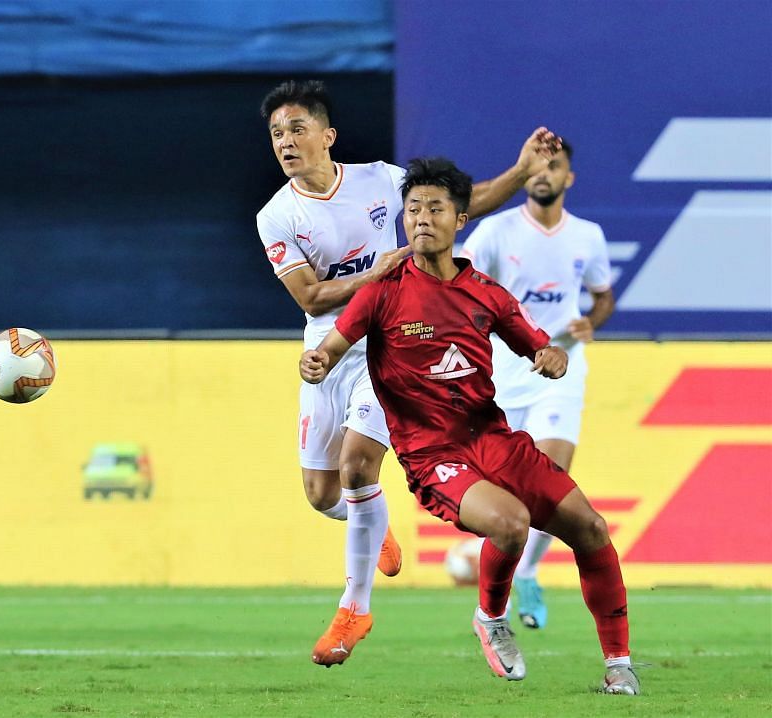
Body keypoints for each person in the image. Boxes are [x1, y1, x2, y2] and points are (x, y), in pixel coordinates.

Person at [299, 157, 639, 695]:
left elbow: (540, 346)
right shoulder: (382, 292)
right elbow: (330, 348)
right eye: (412, 209)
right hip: (432, 453)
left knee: (593, 530)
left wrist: (553, 357)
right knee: (511, 523)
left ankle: (619, 665)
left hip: (493, 439)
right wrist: (315, 361)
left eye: (435, 208)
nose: (421, 219)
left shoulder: (487, 292)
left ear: (461, 220)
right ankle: (490, 617)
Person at [256, 80, 562, 666]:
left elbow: (457, 200)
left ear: (328, 135)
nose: (286, 142)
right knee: (323, 495)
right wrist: (376, 272)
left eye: (297, 128)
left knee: (356, 463)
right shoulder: (277, 216)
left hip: (388, 343)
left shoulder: (377, 179)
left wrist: (521, 172)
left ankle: (355, 607)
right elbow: (311, 297)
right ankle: (371, 525)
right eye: (276, 133)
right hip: (328, 349)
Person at [460, 139, 614, 630]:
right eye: (538, 166)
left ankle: (526, 571)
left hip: (562, 365)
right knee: (512, 488)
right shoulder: (495, 232)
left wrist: (594, 321)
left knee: (552, 473)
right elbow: (458, 285)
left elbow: (602, 296)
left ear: (568, 178)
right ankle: (508, 568)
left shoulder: (587, 236)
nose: (544, 174)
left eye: (555, 167)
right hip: (504, 372)